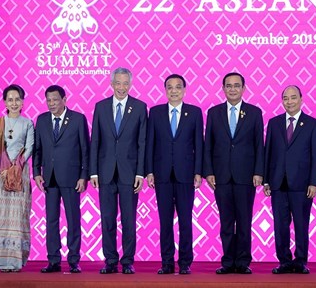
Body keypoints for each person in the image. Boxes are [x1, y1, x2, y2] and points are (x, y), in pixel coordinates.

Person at [203, 72, 264, 274]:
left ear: (244, 88)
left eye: (237, 85)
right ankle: (228, 261)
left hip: (246, 176)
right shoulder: (214, 113)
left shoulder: (254, 113)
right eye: (228, 85)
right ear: (223, 88)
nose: (232, 89)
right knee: (226, 222)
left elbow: (259, 146)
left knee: (244, 222)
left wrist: (258, 172)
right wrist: (208, 172)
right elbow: (208, 146)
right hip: (221, 176)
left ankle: (243, 262)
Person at [90, 68, 146, 275]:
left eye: (125, 83)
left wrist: (140, 173)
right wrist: (93, 172)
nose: (121, 87)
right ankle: (110, 261)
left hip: (129, 174)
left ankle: (128, 261)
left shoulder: (140, 107)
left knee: (129, 220)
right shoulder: (101, 107)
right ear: (111, 84)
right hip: (105, 173)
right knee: (107, 219)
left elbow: (142, 143)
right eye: (118, 83)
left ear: (130, 84)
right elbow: (95, 140)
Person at [146, 74, 203, 275]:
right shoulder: (155, 112)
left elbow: (199, 144)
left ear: (184, 90)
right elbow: (149, 143)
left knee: (186, 220)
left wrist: (198, 171)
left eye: (178, 87)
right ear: (165, 90)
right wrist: (149, 171)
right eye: (170, 87)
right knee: (165, 221)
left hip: (186, 174)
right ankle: (167, 262)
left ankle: (185, 262)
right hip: (161, 175)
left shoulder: (194, 112)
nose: (174, 90)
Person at [263, 86, 316, 274]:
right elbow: (268, 153)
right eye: (286, 98)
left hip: (302, 184)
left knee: (301, 224)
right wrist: (266, 180)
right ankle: (284, 261)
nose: (289, 101)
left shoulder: (312, 124)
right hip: (278, 183)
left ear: (301, 99)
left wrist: (314, 182)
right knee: (280, 225)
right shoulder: (274, 123)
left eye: (293, 98)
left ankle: (300, 261)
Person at [33, 85, 89, 273]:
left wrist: (84, 176)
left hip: (72, 178)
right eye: (48, 100)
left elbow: (85, 151)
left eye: (55, 99)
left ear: (65, 100)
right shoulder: (41, 120)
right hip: (49, 178)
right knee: (51, 220)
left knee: (73, 220)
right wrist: (36, 173)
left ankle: (73, 260)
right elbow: (38, 149)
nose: (51, 103)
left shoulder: (78, 119)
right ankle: (53, 260)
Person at [0, 84, 34, 272]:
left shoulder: (28, 123)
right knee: (2, 215)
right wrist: (3, 168)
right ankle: (1, 260)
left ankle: (16, 260)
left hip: (20, 174)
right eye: (10, 99)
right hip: (1, 174)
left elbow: (30, 146)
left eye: (17, 99)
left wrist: (16, 167)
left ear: (22, 101)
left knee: (18, 216)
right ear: (4, 102)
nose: (14, 103)